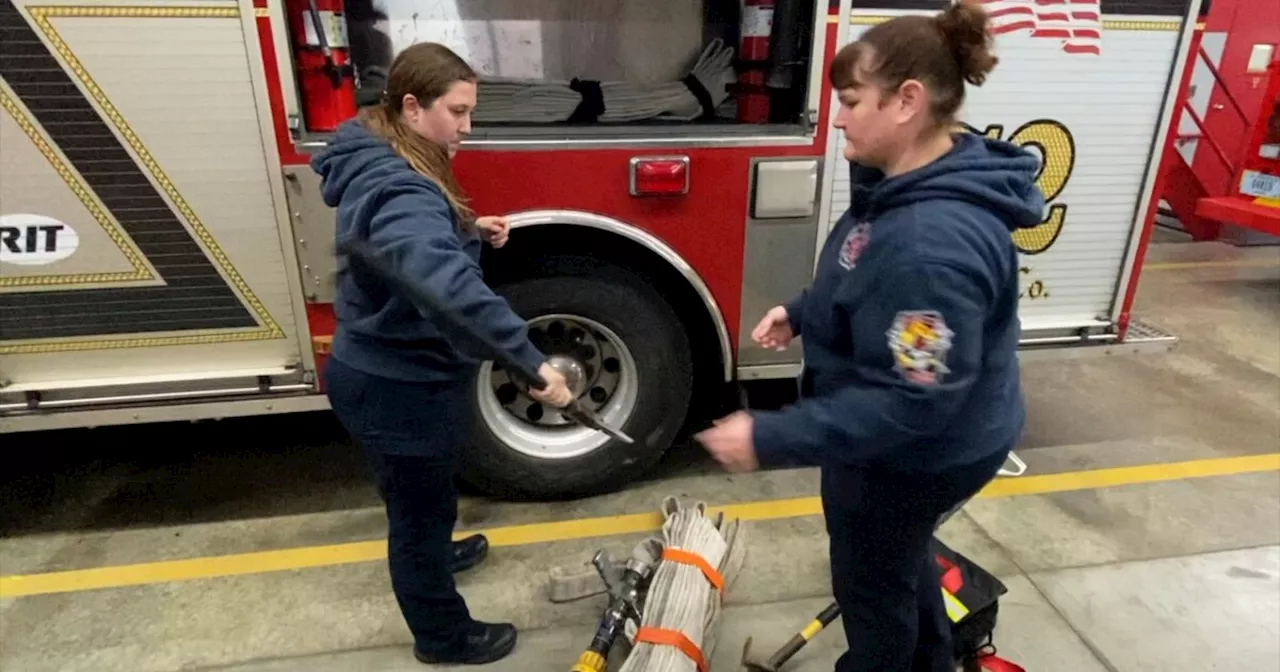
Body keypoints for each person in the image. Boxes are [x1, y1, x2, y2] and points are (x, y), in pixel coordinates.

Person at [695, 2, 1045, 671]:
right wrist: (804, 310)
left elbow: (913, 399)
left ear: (908, 101)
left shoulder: (929, 244)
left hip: (917, 453)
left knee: (872, 584)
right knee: (899, 556)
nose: (840, 117)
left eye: (853, 100)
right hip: (916, 442)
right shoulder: (902, 184)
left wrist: (768, 434)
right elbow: (864, 266)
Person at [310, 42, 574, 665]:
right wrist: (529, 361)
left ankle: (435, 546)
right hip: (396, 384)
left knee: (419, 495)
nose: (466, 127)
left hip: (378, 373)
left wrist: (465, 228)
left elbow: (400, 246)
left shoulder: (379, 149)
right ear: (411, 105)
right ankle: (443, 635)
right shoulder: (402, 185)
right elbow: (443, 285)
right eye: (457, 112)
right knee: (416, 516)